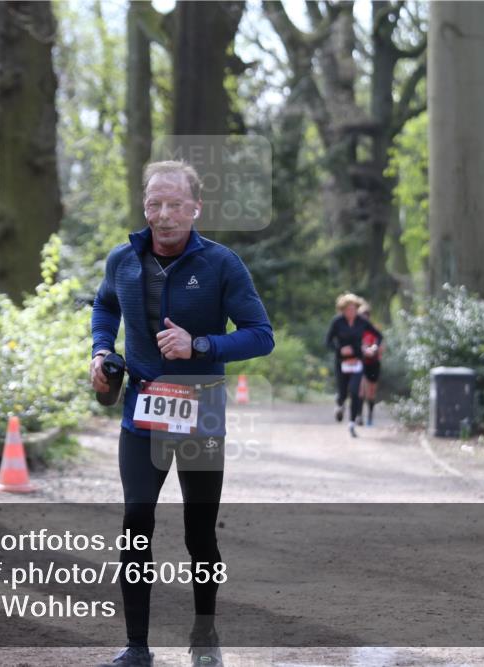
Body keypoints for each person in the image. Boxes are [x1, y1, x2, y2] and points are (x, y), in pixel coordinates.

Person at [90, 160, 275, 667]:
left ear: (196, 208)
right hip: (142, 411)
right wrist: (101, 350)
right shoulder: (123, 259)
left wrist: (201, 344)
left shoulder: (222, 264)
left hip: (200, 411)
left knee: (199, 532)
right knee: (136, 521)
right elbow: (104, 305)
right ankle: (137, 646)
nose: (164, 214)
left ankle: (205, 635)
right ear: (144, 207)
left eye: (175, 204)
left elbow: (261, 335)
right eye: (155, 204)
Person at [324, 293, 382, 438]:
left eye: (354, 309)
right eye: (349, 309)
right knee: (343, 392)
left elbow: (378, 335)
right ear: (343, 310)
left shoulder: (362, 322)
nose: (352, 312)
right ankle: (340, 403)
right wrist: (339, 349)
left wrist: (374, 347)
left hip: (357, 360)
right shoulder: (337, 322)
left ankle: (351, 424)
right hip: (342, 362)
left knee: (355, 391)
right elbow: (328, 342)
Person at [357, 301, 384, 427]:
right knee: (361, 390)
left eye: (366, 316)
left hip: (373, 363)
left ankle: (370, 416)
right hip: (361, 362)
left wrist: (374, 349)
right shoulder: (357, 330)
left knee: (371, 392)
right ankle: (359, 416)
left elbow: (381, 345)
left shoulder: (373, 330)